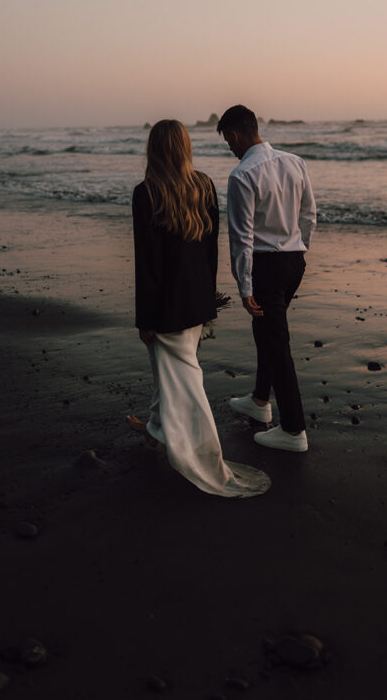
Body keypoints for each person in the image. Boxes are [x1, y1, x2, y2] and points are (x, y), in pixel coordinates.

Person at [127, 119, 270, 498]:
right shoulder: (203, 185)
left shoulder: (146, 193)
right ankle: (157, 431)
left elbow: (148, 264)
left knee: (186, 381)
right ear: (185, 147)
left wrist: (145, 321)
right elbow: (211, 252)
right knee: (173, 372)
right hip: (195, 300)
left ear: (154, 149)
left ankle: (208, 460)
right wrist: (208, 303)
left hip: (165, 306)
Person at [217, 105, 316, 453]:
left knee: (276, 341)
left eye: (227, 141)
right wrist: (299, 249)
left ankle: (293, 430)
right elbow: (309, 215)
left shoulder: (242, 175)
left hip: (266, 266)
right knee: (268, 332)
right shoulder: (295, 162)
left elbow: (241, 237)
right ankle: (259, 401)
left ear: (235, 135)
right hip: (293, 262)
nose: (229, 148)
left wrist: (244, 286)